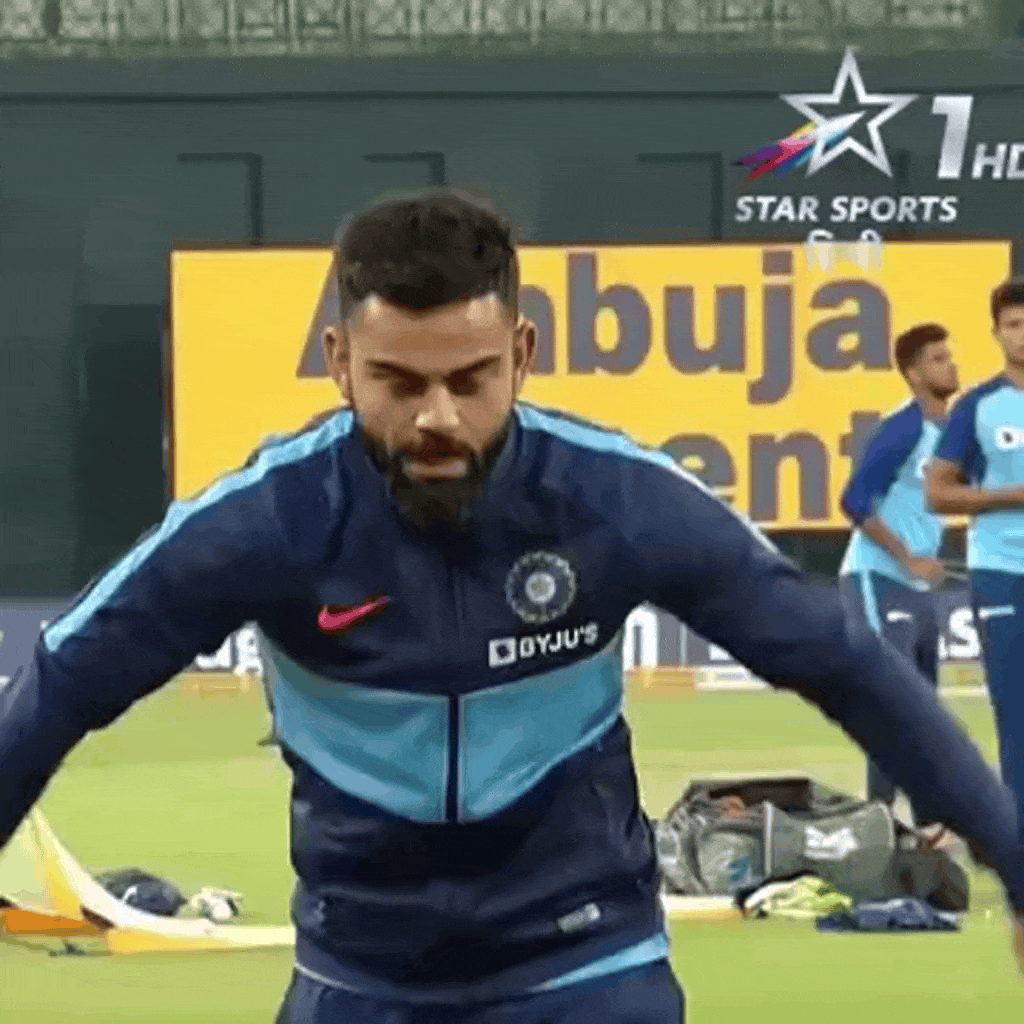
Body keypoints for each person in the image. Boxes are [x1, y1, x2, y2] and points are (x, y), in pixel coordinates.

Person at [1, 189, 1023, 1024]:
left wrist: (1013, 862)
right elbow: (64, 678)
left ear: (523, 354)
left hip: (590, 968)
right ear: (338, 360)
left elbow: (840, 659)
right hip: (359, 977)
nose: (437, 417)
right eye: (397, 381)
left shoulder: (617, 501)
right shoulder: (264, 521)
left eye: (471, 378)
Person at [838, 324, 959, 821]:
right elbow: (854, 501)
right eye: (937, 359)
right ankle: (879, 822)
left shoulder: (951, 436)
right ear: (912, 374)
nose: (951, 365)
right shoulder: (903, 429)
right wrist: (908, 556)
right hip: (877, 579)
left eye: (950, 356)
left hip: (917, 587)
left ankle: (928, 827)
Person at [929, 276, 1024, 847]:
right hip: (1004, 572)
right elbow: (938, 493)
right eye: (1014, 324)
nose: (1023, 334)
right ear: (996, 333)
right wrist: (1011, 497)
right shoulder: (978, 407)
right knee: (1017, 712)